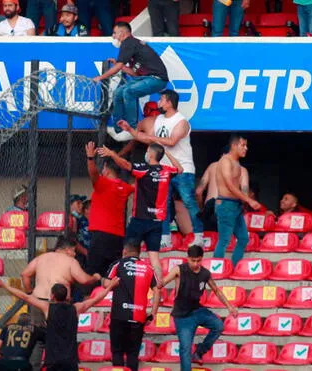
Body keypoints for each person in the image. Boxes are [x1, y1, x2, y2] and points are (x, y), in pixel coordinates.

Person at [118, 90, 204, 248]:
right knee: (162, 204)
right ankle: (165, 237)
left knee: (189, 201)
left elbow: (171, 141)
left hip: (182, 168)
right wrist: (130, 130)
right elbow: (146, 137)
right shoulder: (158, 120)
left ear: (169, 102)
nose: (158, 102)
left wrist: (152, 138)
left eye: (161, 99)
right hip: (164, 169)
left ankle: (199, 235)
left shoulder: (181, 121)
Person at [97, 143, 183, 283]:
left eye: (147, 151)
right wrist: (166, 152)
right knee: (154, 257)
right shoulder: (166, 171)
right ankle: (158, 290)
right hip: (157, 222)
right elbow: (180, 168)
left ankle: (122, 284)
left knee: (127, 252)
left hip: (140, 219)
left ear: (150, 154)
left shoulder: (143, 169)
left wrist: (112, 154)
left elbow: (125, 165)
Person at [0, 277, 120, 371]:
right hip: (70, 361)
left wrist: (5, 285)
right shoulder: (75, 308)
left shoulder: (48, 308)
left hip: (53, 360)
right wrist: (110, 287)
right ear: (66, 296)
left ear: (52, 295)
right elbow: (95, 299)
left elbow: (25, 297)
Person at [20, 235, 101, 371]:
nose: (75, 254)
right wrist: (95, 277)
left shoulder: (41, 258)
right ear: (68, 250)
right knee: (61, 339)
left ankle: (34, 368)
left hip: (39, 302)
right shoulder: (70, 261)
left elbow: (24, 274)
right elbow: (83, 280)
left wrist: (30, 293)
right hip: (58, 306)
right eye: (74, 251)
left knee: (38, 340)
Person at [159, 245, 238, 370]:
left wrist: (230, 307)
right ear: (188, 258)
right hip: (182, 316)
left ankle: (199, 352)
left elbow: (216, 290)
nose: (196, 264)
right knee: (185, 349)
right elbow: (163, 282)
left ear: (202, 259)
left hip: (198, 311)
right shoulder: (179, 270)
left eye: (198, 260)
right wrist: (157, 283)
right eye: (193, 260)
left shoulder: (205, 273)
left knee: (219, 326)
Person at [93, 21, 169, 142]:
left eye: (114, 33)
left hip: (156, 79)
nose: (113, 36)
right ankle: (119, 129)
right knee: (118, 93)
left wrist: (100, 77)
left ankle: (132, 129)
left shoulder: (128, 43)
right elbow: (135, 73)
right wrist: (120, 66)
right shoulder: (133, 44)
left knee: (128, 91)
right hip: (145, 78)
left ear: (122, 33)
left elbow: (118, 66)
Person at [103, 239, 159, 371]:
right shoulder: (148, 268)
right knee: (132, 354)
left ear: (124, 251)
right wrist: (153, 313)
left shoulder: (118, 264)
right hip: (138, 317)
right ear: (139, 253)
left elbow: (107, 284)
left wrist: (105, 282)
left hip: (119, 316)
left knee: (117, 352)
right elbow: (157, 290)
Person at [84, 142, 134, 277]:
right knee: (112, 274)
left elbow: (93, 174)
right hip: (117, 237)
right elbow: (139, 183)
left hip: (101, 235)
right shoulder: (125, 187)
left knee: (93, 273)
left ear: (106, 168)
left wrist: (90, 158)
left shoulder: (103, 183)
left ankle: (91, 296)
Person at [213, 134, 261, 266]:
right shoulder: (225, 160)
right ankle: (217, 270)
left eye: (246, 145)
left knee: (244, 238)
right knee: (224, 240)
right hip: (226, 204)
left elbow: (239, 187)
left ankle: (234, 267)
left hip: (235, 205)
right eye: (243, 145)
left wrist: (244, 200)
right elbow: (229, 185)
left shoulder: (237, 163)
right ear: (234, 145)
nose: (246, 148)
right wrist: (249, 200)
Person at [196, 146, 250, 232]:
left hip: (210, 208)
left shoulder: (212, 166)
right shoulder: (242, 170)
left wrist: (201, 209)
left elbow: (198, 192)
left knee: (209, 241)